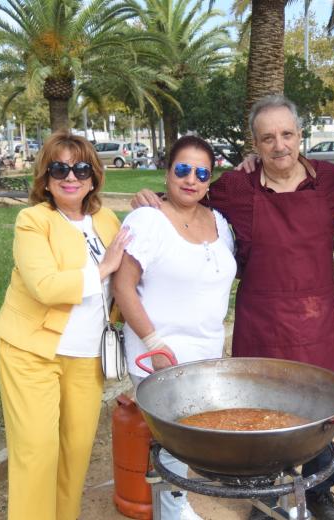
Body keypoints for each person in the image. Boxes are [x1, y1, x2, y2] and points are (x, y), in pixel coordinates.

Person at [133, 95, 334, 520]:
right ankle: (263, 493)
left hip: (316, 319)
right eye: (267, 138)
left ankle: (320, 492)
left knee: (320, 409)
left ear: (301, 136)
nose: (279, 145)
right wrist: (152, 199)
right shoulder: (237, 186)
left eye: (287, 134)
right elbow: (189, 200)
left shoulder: (330, 182)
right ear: (255, 144)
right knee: (260, 404)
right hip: (262, 320)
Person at [0, 130, 131, 520]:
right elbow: (46, 286)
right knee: (36, 453)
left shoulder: (106, 219)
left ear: (94, 175)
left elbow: (128, 276)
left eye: (81, 167)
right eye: (59, 168)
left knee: (74, 453)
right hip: (32, 353)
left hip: (87, 357)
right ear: (45, 177)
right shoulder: (33, 221)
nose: (71, 177)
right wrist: (103, 268)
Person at [113, 136, 237, 520]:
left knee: (189, 434)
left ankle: (175, 505)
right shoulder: (147, 219)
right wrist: (155, 344)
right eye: (182, 169)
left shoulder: (219, 222)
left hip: (204, 353)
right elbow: (122, 284)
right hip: (158, 354)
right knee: (175, 437)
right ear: (167, 171)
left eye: (202, 173)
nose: (191, 179)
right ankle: (173, 511)